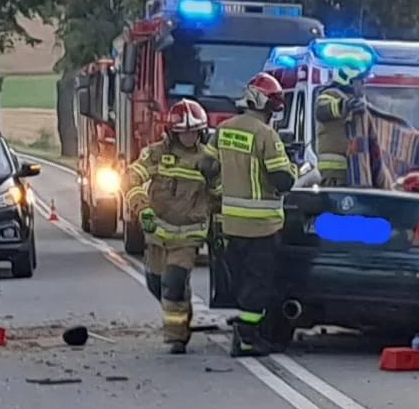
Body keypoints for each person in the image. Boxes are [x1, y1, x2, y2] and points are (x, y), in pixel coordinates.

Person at [125, 99, 220, 354]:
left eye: (193, 131)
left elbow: (218, 194)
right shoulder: (156, 154)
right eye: (183, 132)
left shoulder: (208, 160)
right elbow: (130, 180)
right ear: (172, 132)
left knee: (173, 282)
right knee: (157, 285)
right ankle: (182, 310)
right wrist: (141, 208)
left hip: (188, 238)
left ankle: (177, 337)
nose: (189, 136)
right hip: (156, 236)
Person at [215, 72, 296, 357]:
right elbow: (282, 180)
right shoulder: (266, 135)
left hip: (231, 223)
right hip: (262, 226)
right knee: (259, 284)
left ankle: (247, 333)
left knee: (243, 282)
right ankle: (247, 338)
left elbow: (210, 169)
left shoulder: (223, 130)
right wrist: (293, 166)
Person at [314, 63, 369, 187]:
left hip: (354, 166)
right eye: (359, 81)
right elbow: (322, 111)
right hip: (333, 168)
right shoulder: (329, 94)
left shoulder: (360, 101)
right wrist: (345, 105)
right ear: (348, 80)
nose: (362, 85)